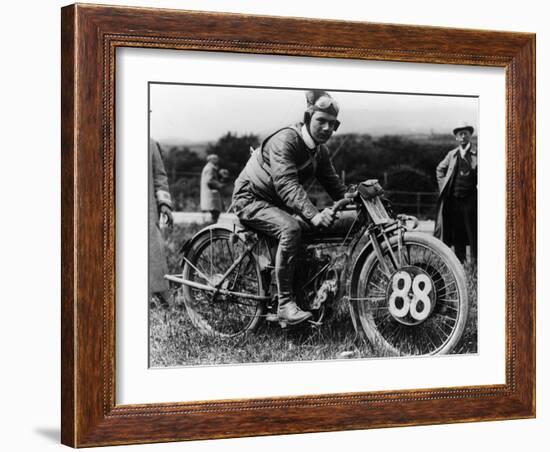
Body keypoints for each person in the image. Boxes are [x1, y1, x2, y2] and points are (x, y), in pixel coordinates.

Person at [231, 90, 349, 326]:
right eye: (321, 121)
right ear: (307, 118)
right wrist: (314, 215)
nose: (327, 128)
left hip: (275, 203)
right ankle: (285, 304)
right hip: (250, 199)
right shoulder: (286, 139)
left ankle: (303, 295)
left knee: (306, 235)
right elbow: (286, 185)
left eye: (332, 124)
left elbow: (335, 186)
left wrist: (359, 198)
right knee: (292, 229)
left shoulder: (320, 151)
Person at [434, 122, 478, 263]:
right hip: (454, 200)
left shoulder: (477, 153)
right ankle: (460, 262)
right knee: (457, 231)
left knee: (473, 232)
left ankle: (476, 263)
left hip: (472, 200)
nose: (463, 136)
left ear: (470, 135)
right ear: (456, 138)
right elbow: (439, 169)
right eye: (460, 134)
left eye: (466, 133)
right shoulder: (452, 154)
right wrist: (444, 187)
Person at [149, 139, 174, 308]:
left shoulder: (150, 143)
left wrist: (164, 204)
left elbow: (160, 176)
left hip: (146, 210)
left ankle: (164, 296)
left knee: (154, 250)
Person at [200, 154, 226, 223]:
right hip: (211, 196)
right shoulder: (210, 168)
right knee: (215, 213)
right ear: (210, 160)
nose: (217, 161)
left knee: (214, 214)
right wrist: (220, 185)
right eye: (215, 159)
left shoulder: (211, 168)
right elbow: (210, 181)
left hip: (210, 195)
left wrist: (220, 175)